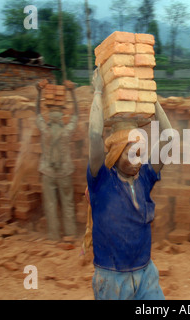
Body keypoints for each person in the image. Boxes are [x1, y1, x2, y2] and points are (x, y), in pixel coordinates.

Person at [86, 68, 172, 300]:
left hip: (146, 274)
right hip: (112, 278)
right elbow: (95, 136)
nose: (137, 160)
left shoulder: (145, 178)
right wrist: (98, 91)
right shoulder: (101, 180)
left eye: (140, 153)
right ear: (114, 154)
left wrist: (151, 98)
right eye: (130, 153)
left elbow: (170, 137)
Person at [35, 79, 78, 241]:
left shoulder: (45, 130)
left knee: (51, 205)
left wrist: (39, 92)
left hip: (47, 172)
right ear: (61, 117)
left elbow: (37, 113)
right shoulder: (67, 131)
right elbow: (76, 115)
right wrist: (72, 92)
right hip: (65, 172)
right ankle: (70, 233)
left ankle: (53, 236)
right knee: (68, 204)